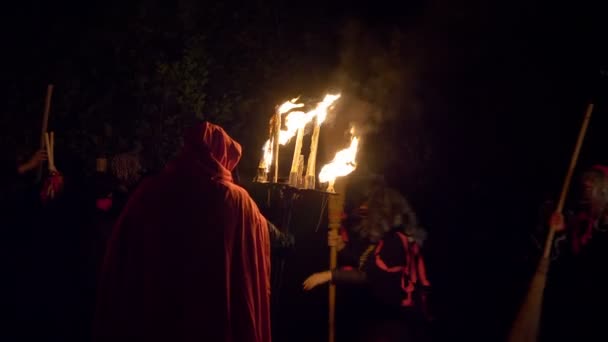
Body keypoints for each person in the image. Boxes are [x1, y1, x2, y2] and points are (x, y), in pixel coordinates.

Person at [93, 122, 271, 342]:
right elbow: (249, 263)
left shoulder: (150, 189)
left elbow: (124, 251)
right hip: (211, 311)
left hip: (155, 305)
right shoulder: (237, 200)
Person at [303, 178, 432, 341]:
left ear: (382, 214)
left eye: (368, 212)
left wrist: (328, 275)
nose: (364, 216)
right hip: (383, 320)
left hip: (396, 325)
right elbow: (366, 263)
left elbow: (368, 275)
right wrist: (342, 246)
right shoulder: (387, 240)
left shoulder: (397, 242)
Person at [539, 165, 608, 341]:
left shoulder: (602, 226)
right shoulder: (578, 217)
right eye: (585, 187)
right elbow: (565, 254)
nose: (587, 191)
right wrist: (559, 230)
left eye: (593, 186)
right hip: (572, 296)